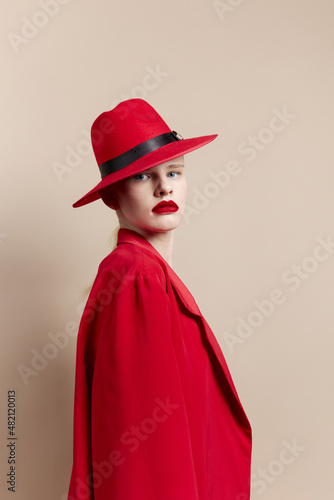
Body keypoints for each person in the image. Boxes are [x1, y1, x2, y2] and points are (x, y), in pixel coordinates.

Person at [67, 98, 252, 500]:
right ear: (112, 196)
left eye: (173, 171)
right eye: (142, 177)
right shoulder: (139, 279)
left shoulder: (138, 273)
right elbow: (146, 452)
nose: (164, 186)